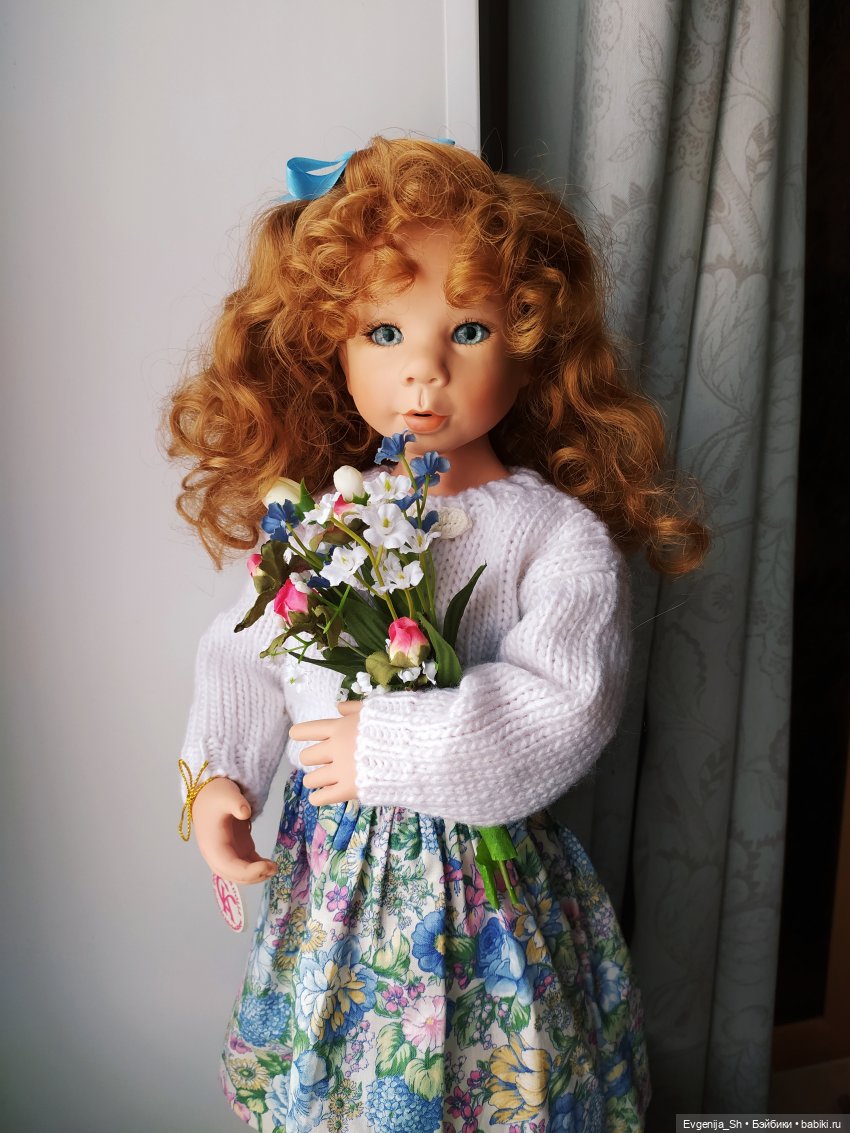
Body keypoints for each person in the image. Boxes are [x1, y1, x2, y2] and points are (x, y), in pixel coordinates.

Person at [166, 136, 708, 1132]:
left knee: (500, 1090)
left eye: (467, 329)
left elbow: (566, 702)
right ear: (331, 344)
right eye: (383, 331)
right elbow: (246, 652)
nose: (422, 369)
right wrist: (219, 777)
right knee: (340, 1090)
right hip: (335, 895)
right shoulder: (324, 517)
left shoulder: (551, 535)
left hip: (484, 892)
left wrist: (389, 743)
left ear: (528, 338)